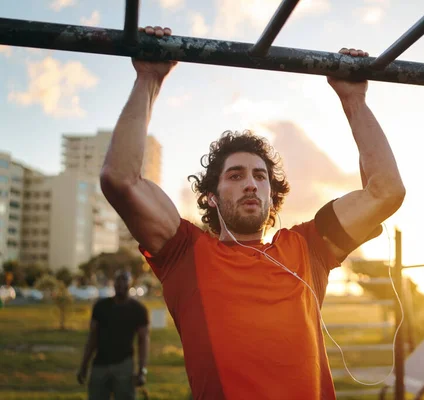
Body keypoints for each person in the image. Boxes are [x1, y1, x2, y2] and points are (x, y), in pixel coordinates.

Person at [100, 25, 405, 400]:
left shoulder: (308, 248)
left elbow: (386, 191)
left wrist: (354, 101)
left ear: (270, 194)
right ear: (211, 197)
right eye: (236, 175)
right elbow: (120, 179)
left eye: (260, 176)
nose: (251, 183)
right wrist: (149, 78)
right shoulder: (185, 253)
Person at [77, 271, 150, 400]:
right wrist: (84, 365)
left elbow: (143, 340)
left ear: (130, 284)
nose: (120, 284)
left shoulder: (138, 310)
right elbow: (92, 338)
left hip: (124, 365)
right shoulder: (101, 307)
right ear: (113, 283)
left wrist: (142, 370)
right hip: (100, 364)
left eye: (124, 280)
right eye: (117, 280)